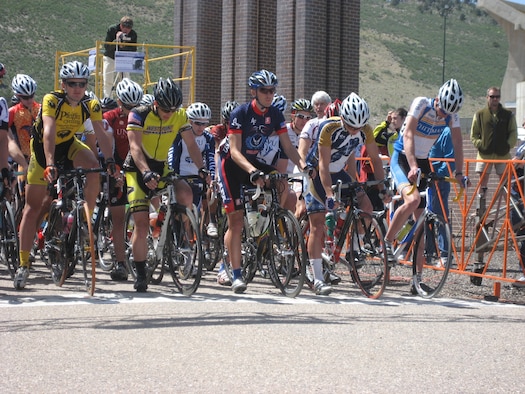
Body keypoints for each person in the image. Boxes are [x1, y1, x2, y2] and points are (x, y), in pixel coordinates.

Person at [14, 60, 116, 290]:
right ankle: (23, 263)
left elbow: (101, 133)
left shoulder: (91, 103)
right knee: (32, 208)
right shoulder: (52, 100)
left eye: (81, 83)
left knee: (93, 164)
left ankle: (84, 219)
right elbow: (48, 132)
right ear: (63, 84)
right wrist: (50, 164)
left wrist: (109, 161)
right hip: (43, 151)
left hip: (68, 145)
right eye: (72, 84)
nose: (77, 88)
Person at [217, 69, 307, 294]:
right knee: (236, 222)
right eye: (264, 90)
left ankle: (267, 226)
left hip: (253, 163)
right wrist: (253, 171)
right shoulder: (241, 112)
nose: (269, 94)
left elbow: (288, 146)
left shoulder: (275, 114)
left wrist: (305, 166)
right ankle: (235, 273)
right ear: (254, 91)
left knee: (281, 183)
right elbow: (235, 151)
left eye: (272, 90)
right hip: (232, 165)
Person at [383, 79, 466, 294]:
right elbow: (408, 133)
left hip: (422, 161)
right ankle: (387, 243)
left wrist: (459, 173)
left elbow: (458, 143)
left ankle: (416, 280)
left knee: (420, 225)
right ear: (437, 99)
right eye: (441, 110)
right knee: (413, 200)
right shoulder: (422, 104)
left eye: (446, 114)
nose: (442, 116)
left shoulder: (451, 114)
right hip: (402, 157)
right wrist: (411, 166)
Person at [124, 77, 205, 292]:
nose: (169, 113)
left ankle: (170, 230)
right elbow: (134, 147)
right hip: (137, 168)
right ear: (156, 103)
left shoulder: (179, 115)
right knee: (140, 225)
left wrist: (202, 168)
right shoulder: (139, 114)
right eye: (165, 109)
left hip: (161, 166)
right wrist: (145, 171)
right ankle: (141, 274)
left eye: (173, 108)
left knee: (185, 195)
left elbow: (191, 144)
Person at [304, 93, 388, 296]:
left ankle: (353, 250)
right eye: (350, 126)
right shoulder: (329, 128)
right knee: (317, 224)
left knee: (366, 206)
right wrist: (329, 193)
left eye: (358, 127)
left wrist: (382, 188)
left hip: (340, 172)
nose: (354, 131)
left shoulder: (365, 130)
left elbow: (376, 161)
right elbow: (323, 165)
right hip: (318, 173)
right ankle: (316, 278)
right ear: (343, 118)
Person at [103, 78, 143, 281]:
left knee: (141, 216)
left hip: (136, 169)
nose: (131, 110)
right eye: (128, 106)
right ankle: (120, 263)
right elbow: (105, 146)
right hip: (115, 167)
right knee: (118, 219)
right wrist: (114, 172)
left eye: (135, 106)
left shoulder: (143, 115)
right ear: (119, 102)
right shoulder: (109, 117)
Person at [168, 102, 216, 235]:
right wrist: (174, 175)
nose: (202, 127)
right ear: (189, 121)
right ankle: (177, 237)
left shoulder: (208, 138)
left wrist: (211, 175)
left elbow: (210, 158)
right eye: (197, 123)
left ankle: (189, 242)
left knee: (193, 215)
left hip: (197, 177)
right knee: (181, 213)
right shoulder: (180, 135)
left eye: (205, 123)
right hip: (180, 176)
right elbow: (173, 156)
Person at [210, 100, 239, 287]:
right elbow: (216, 154)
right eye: (227, 121)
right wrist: (214, 178)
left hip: (241, 173)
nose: (230, 124)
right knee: (232, 223)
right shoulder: (218, 131)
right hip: (222, 168)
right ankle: (211, 219)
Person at [471, 87, 517, 192]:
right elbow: (474, 134)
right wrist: (481, 144)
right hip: (484, 155)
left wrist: (508, 145)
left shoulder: (508, 115)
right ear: (487, 97)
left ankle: (508, 208)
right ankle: (481, 208)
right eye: (492, 97)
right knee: (482, 184)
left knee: (505, 185)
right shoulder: (480, 114)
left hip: (503, 155)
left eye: (497, 96)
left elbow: (513, 132)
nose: (495, 99)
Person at [427, 126, 455, 267]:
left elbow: (451, 159)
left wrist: (439, 174)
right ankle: (429, 252)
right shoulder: (429, 130)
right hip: (427, 177)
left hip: (438, 179)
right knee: (427, 216)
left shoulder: (446, 132)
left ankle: (445, 254)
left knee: (440, 217)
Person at [102, 16, 138, 99]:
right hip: (110, 57)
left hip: (123, 59)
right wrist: (116, 41)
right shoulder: (112, 30)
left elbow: (133, 49)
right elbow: (106, 46)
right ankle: (108, 99)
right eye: (124, 26)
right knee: (108, 80)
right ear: (120, 25)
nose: (126, 29)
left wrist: (124, 45)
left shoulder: (133, 35)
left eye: (129, 27)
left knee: (126, 80)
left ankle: (125, 99)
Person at [8, 74, 40, 163]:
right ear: (18, 96)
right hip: (22, 160)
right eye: (25, 97)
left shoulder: (42, 109)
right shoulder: (12, 112)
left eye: (32, 96)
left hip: (41, 157)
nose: (29, 100)